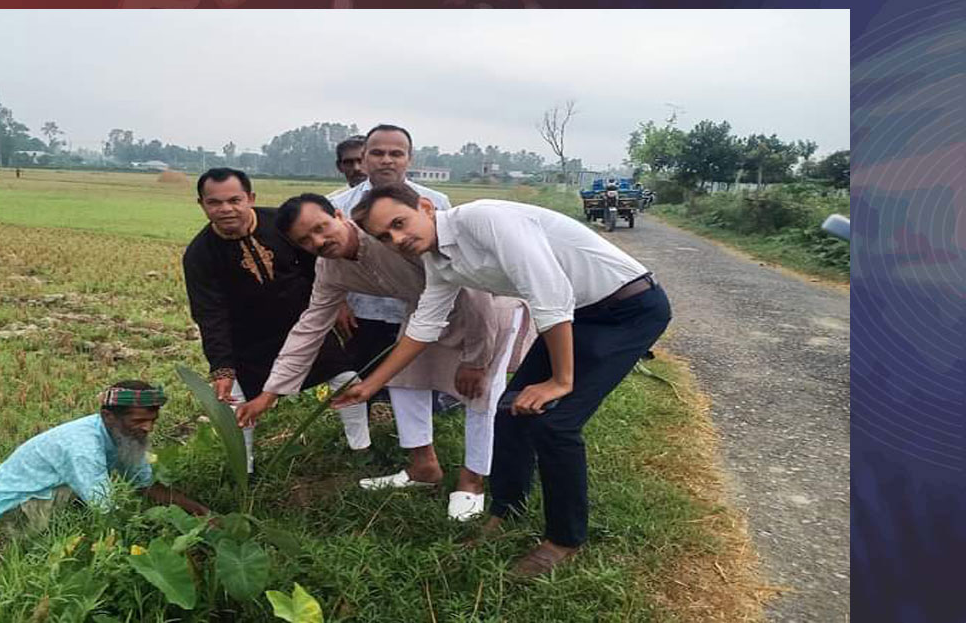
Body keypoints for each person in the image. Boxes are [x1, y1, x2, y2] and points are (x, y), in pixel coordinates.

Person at [337, 183, 672, 577]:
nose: (397, 239)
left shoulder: (485, 219)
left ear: (425, 207)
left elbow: (549, 292)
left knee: (556, 423)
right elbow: (426, 323)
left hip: (628, 308)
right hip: (580, 314)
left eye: (399, 223)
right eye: (384, 237)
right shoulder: (440, 260)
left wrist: (561, 381)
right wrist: (373, 384)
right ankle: (506, 513)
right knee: (509, 408)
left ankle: (563, 541)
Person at [236, 193, 530, 520]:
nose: (318, 241)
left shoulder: (387, 238)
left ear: (337, 214)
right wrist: (270, 392)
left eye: (321, 227)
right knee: (402, 380)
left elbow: (474, 296)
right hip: (424, 312)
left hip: (488, 308)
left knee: (481, 393)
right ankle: (423, 467)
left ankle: (472, 480)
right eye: (305, 241)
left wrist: (476, 360)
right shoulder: (330, 269)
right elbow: (310, 327)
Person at [182, 168, 369, 466]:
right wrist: (222, 368)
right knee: (238, 405)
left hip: (303, 325)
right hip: (248, 340)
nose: (226, 209)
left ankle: (361, 450)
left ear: (250, 198)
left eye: (234, 200)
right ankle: (246, 471)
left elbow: (319, 266)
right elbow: (209, 314)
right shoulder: (199, 255)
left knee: (347, 380)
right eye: (214, 203)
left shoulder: (283, 225)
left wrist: (339, 304)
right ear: (202, 205)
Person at [328, 125, 456, 426]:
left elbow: (450, 256)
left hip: (421, 306)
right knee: (364, 369)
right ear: (365, 157)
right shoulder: (337, 206)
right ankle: (363, 433)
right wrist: (339, 304)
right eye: (378, 153)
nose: (387, 160)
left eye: (396, 154)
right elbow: (326, 261)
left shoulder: (435, 201)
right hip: (363, 308)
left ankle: (420, 431)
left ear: (408, 159)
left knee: (421, 374)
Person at [0, 380, 208, 534]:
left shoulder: (126, 437)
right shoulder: (83, 447)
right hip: (14, 505)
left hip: (50, 491)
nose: (148, 428)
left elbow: (146, 486)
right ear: (108, 416)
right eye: (138, 421)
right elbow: (105, 508)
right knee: (94, 520)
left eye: (152, 420)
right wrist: (144, 536)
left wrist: (203, 513)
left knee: (113, 500)